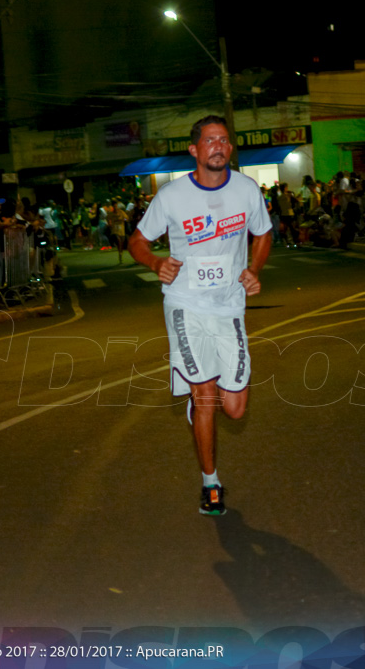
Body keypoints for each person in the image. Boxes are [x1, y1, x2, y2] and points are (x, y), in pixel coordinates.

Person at [128, 115, 272, 516]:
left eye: (224, 140)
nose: (218, 147)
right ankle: (210, 482)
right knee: (206, 395)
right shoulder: (172, 197)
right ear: (194, 150)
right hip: (185, 305)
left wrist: (254, 270)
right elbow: (137, 240)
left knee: (236, 407)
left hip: (229, 306)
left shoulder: (246, 191)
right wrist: (156, 264)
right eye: (210, 141)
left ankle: (199, 403)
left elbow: (263, 233)